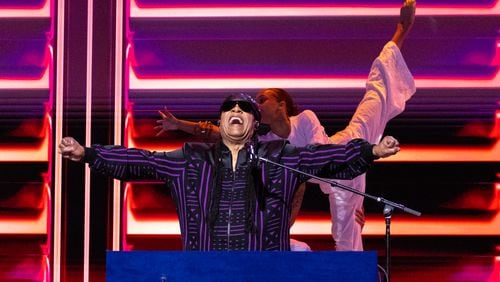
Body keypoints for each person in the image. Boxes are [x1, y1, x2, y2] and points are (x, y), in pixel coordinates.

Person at [154, 0, 417, 251]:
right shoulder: (266, 142)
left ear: (281, 104)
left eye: (262, 100)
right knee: (346, 241)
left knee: (375, 96)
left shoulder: (305, 119)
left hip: (347, 151)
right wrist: (179, 124)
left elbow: (319, 157)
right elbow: (216, 134)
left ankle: (401, 30)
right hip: (338, 185)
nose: (256, 105)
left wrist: (354, 199)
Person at [59, 93, 400, 251]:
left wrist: (371, 151)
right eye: (229, 109)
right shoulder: (191, 161)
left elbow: (325, 159)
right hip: (206, 271)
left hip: (265, 271)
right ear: (221, 124)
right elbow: (141, 162)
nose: (236, 111)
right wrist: (89, 154)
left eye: (245, 109)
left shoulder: (278, 158)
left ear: (254, 125)